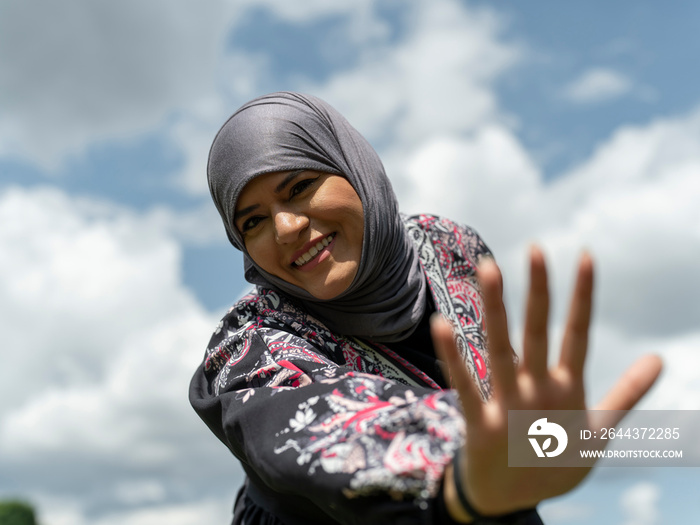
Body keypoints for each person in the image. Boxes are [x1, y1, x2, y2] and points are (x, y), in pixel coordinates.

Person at [189, 92, 662, 524]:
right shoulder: (248, 346)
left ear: (355, 169)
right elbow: (309, 427)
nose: (287, 226)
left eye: (299, 186)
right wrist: (462, 477)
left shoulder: (449, 246)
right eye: (253, 221)